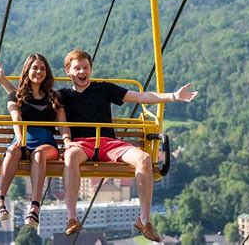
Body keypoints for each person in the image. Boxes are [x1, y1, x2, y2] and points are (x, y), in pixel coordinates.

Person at [60, 49, 198, 242]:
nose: (82, 72)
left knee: (144, 158)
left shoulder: (104, 89)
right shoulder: (62, 96)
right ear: (68, 71)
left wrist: (174, 96)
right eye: (77, 68)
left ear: (91, 69)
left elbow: (141, 97)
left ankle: (144, 220)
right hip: (82, 144)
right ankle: (72, 218)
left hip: (108, 143)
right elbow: (29, 101)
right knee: (70, 156)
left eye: (86, 67)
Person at [0, 54, 71, 228]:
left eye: (42, 68)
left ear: (47, 72)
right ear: (27, 71)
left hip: (46, 144)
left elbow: (63, 124)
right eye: (35, 68)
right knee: (12, 151)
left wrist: (66, 141)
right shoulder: (16, 96)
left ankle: (35, 208)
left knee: (38, 154)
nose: (39, 72)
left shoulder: (54, 97)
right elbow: (16, 117)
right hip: (23, 139)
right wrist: (20, 138)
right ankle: (0, 200)